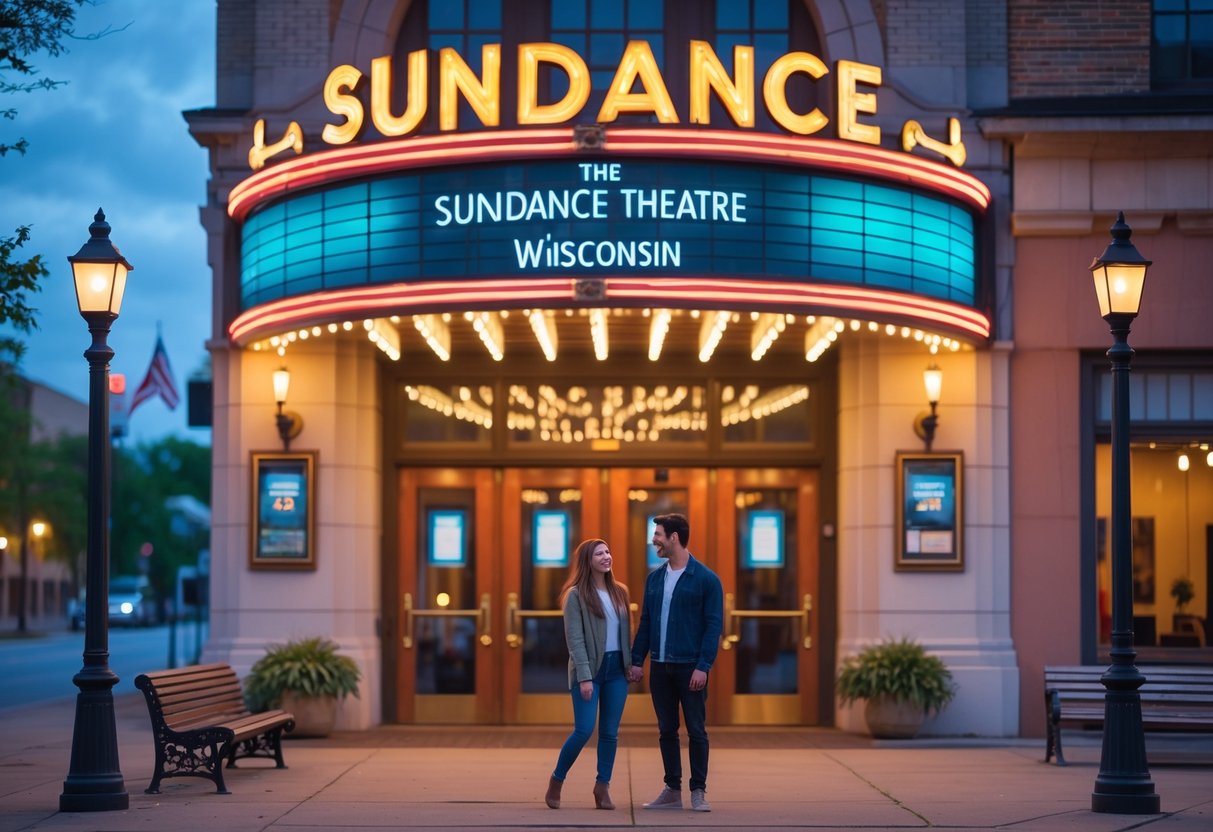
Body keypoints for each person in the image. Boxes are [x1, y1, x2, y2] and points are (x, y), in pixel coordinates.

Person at [629, 513, 723, 813]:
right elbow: (645, 622)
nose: (653, 539)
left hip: (690, 668)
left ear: (674, 537)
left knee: (696, 730)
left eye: (658, 534)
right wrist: (636, 661)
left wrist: (703, 666)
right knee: (666, 729)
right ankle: (672, 790)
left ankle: (698, 791)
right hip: (660, 666)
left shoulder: (707, 579)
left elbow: (713, 626)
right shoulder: (655, 578)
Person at [545, 538, 632, 811]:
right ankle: (557, 780)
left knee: (610, 732)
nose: (607, 556)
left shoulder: (620, 592)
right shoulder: (575, 596)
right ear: (588, 561)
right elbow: (575, 639)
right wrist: (584, 676)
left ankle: (602, 787)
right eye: (599, 554)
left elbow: (625, 634)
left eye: (608, 551)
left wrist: (631, 665)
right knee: (584, 730)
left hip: (617, 669)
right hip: (589, 669)